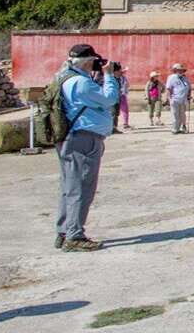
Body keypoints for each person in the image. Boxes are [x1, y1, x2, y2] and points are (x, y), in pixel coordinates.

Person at [55, 43, 119, 251]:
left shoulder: (63, 77)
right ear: (86, 61)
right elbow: (109, 99)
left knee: (70, 187)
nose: (95, 65)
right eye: (92, 61)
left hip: (73, 137)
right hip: (83, 138)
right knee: (82, 187)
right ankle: (74, 235)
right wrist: (109, 75)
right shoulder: (81, 83)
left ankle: (65, 231)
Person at [165, 63, 191, 134]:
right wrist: (168, 98)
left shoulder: (185, 78)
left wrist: (189, 95)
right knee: (175, 114)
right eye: (179, 70)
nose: (181, 71)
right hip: (174, 99)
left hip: (183, 99)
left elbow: (189, 88)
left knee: (182, 114)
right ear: (175, 70)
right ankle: (175, 129)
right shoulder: (171, 77)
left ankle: (183, 127)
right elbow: (168, 88)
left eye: (182, 70)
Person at [110, 62, 123, 134]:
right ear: (115, 71)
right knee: (113, 113)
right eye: (119, 71)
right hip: (112, 99)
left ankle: (114, 127)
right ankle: (112, 128)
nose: (120, 72)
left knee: (116, 113)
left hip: (117, 99)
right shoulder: (111, 79)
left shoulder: (118, 79)